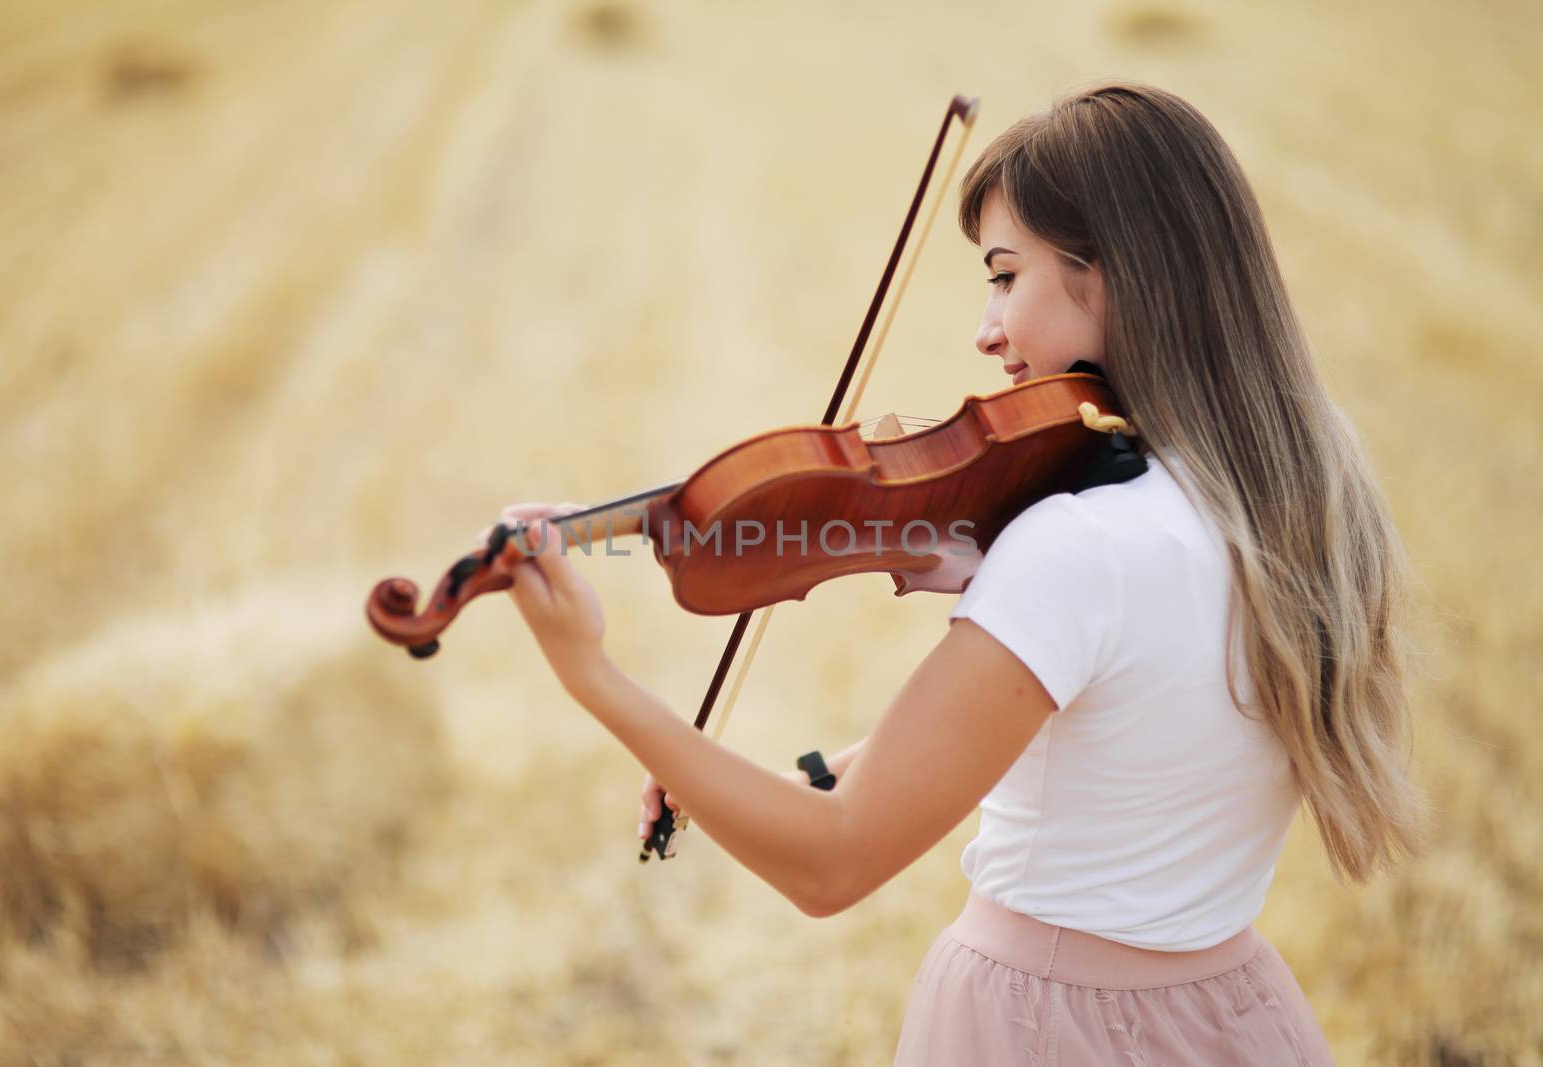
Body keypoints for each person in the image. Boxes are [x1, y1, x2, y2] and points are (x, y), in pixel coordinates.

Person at [489, 82, 1423, 1065]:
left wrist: (591, 673)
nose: (984, 330)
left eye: (1004, 275)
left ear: (1110, 273)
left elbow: (832, 862)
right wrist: (804, 772)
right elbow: (1094, 740)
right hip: (1229, 1016)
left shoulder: (1075, 547)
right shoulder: (1295, 500)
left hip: (1044, 1028)